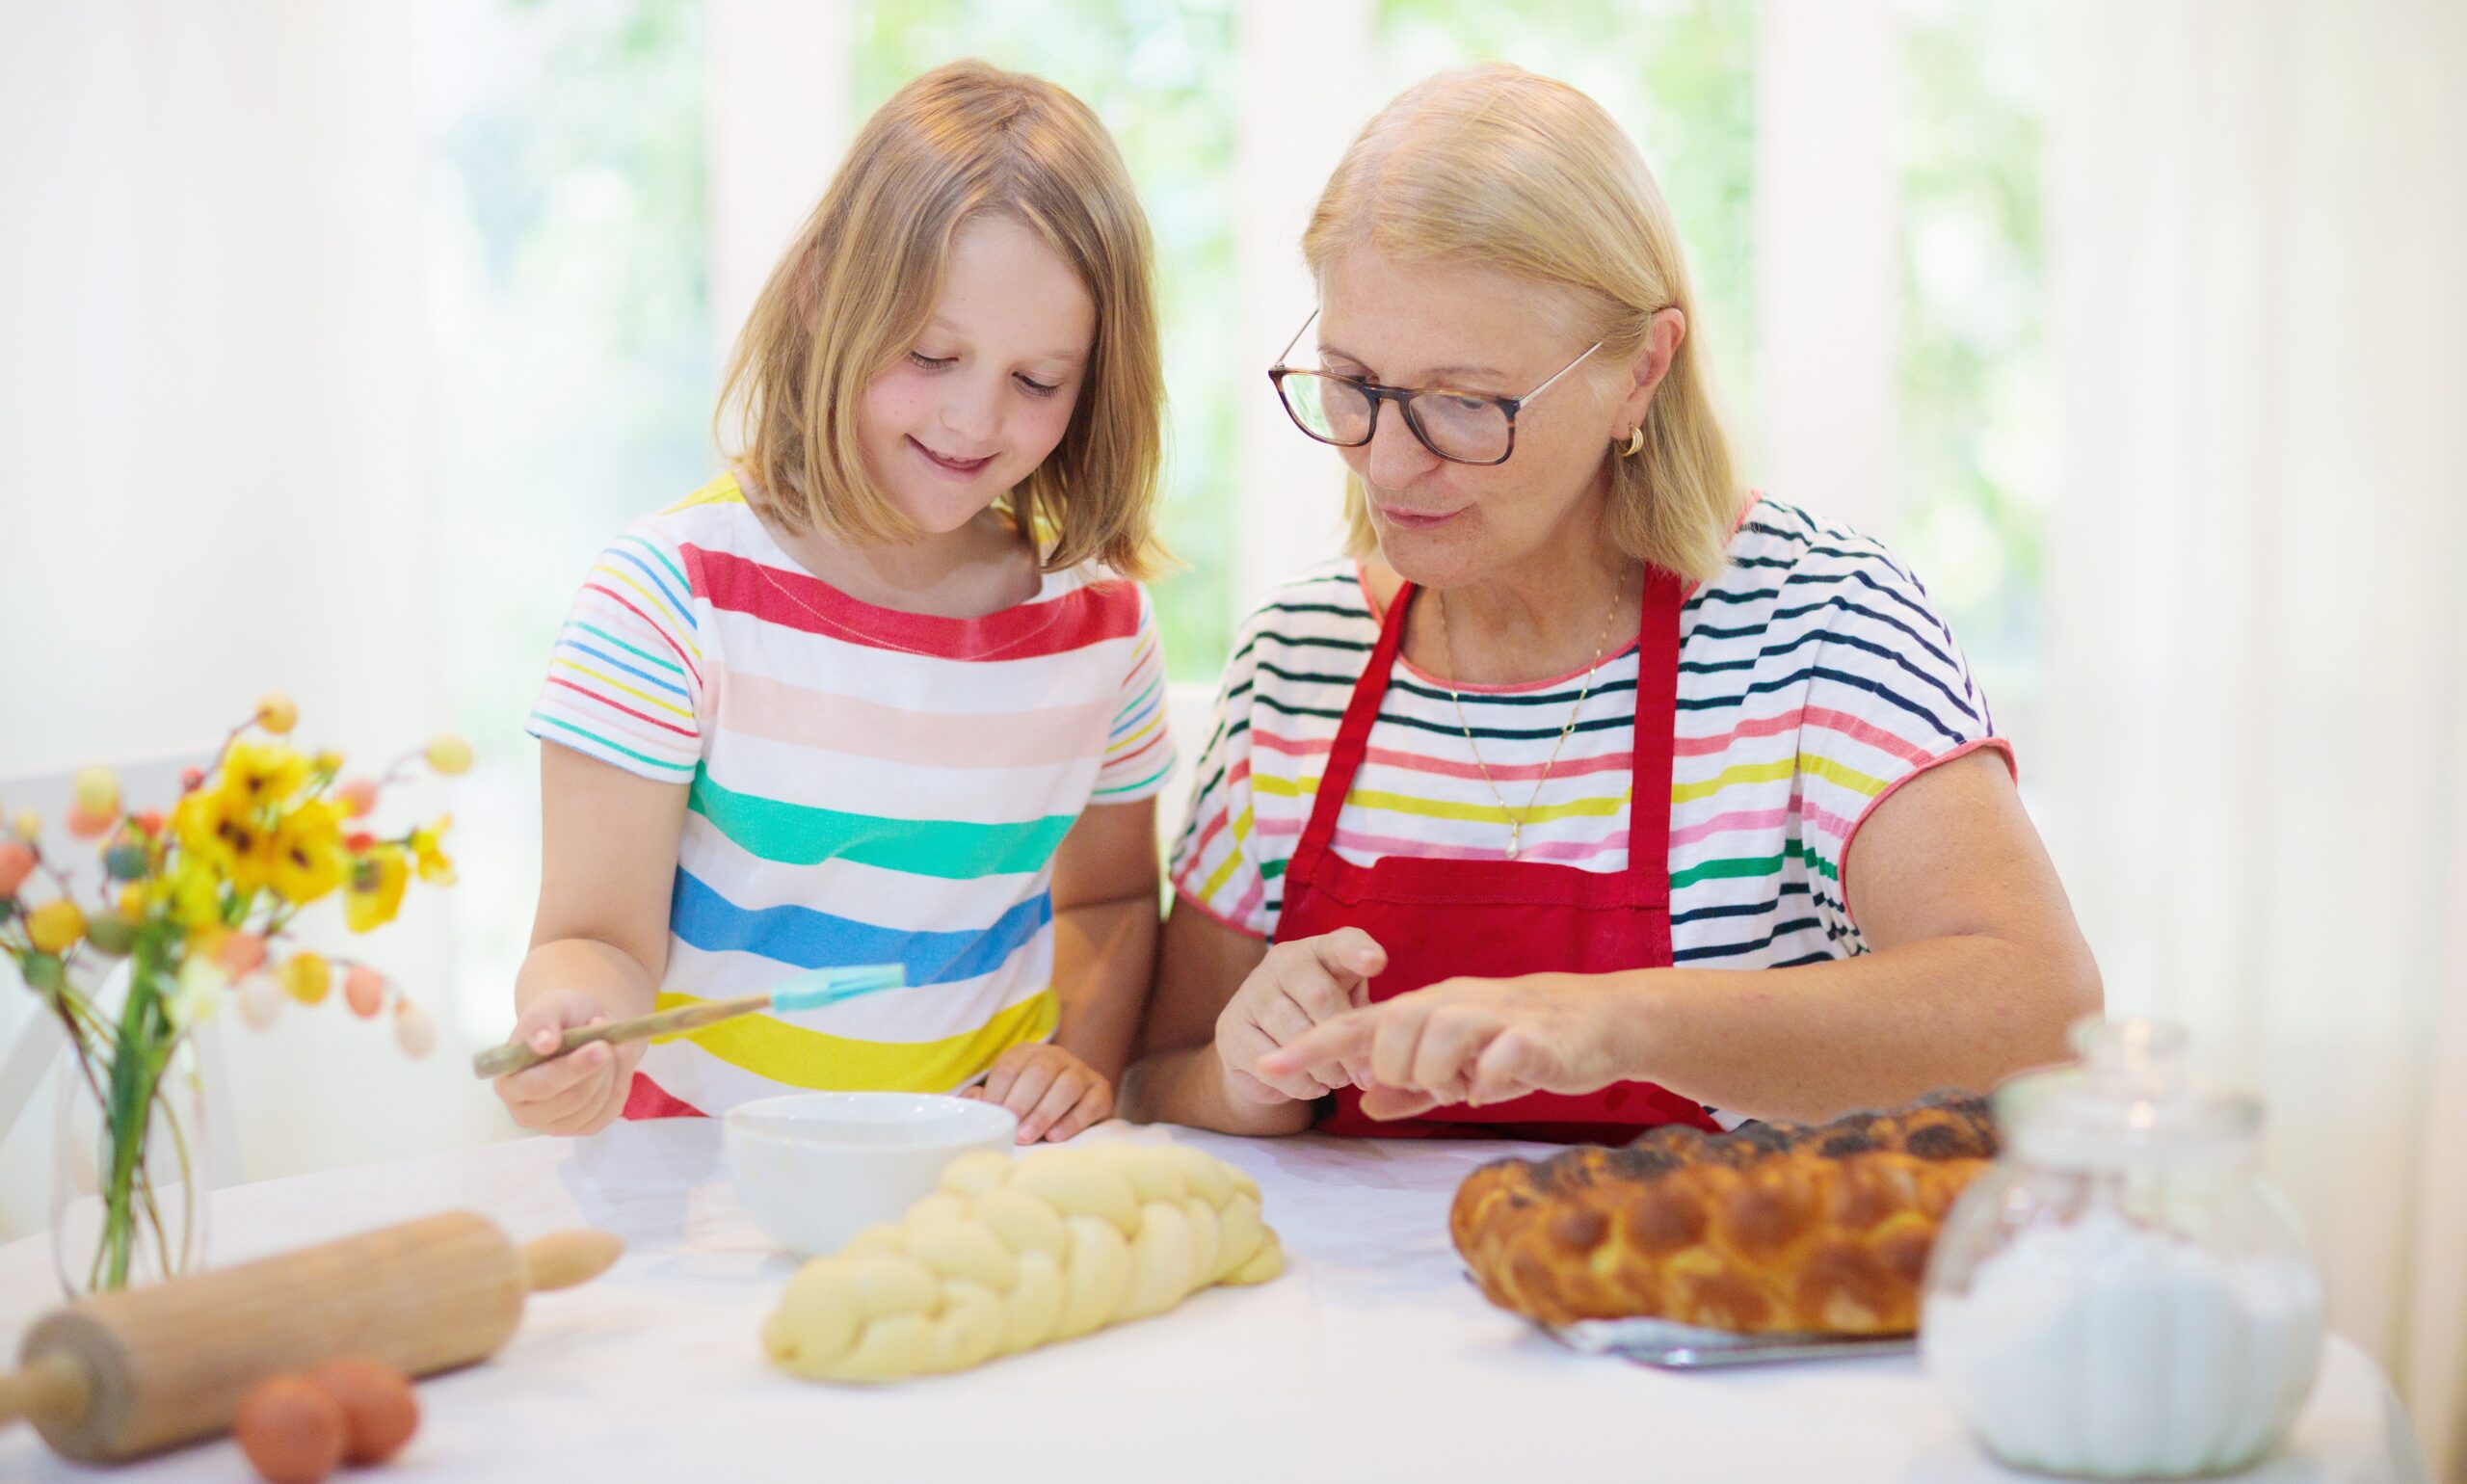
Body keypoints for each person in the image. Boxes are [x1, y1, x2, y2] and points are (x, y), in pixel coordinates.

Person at [1122, 64, 2100, 1143]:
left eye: (1462, 403)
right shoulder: (1296, 661)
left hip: (1722, 1301)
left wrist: (1615, 1019)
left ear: (1640, 369)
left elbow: (2040, 1015)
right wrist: (1244, 1077)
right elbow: (1156, 1075)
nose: (1388, 465)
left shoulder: (1820, 626)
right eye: (1351, 385)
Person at [495, 61, 1174, 1143]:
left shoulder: (1100, 631)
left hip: (971, 1183)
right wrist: (572, 1017)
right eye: (930, 353)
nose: (972, 417)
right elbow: (597, 939)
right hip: (702, 1182)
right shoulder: (670, 597)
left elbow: (1109, 905)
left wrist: (1079, 1056)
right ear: (823, 296)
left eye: (1037, 380)